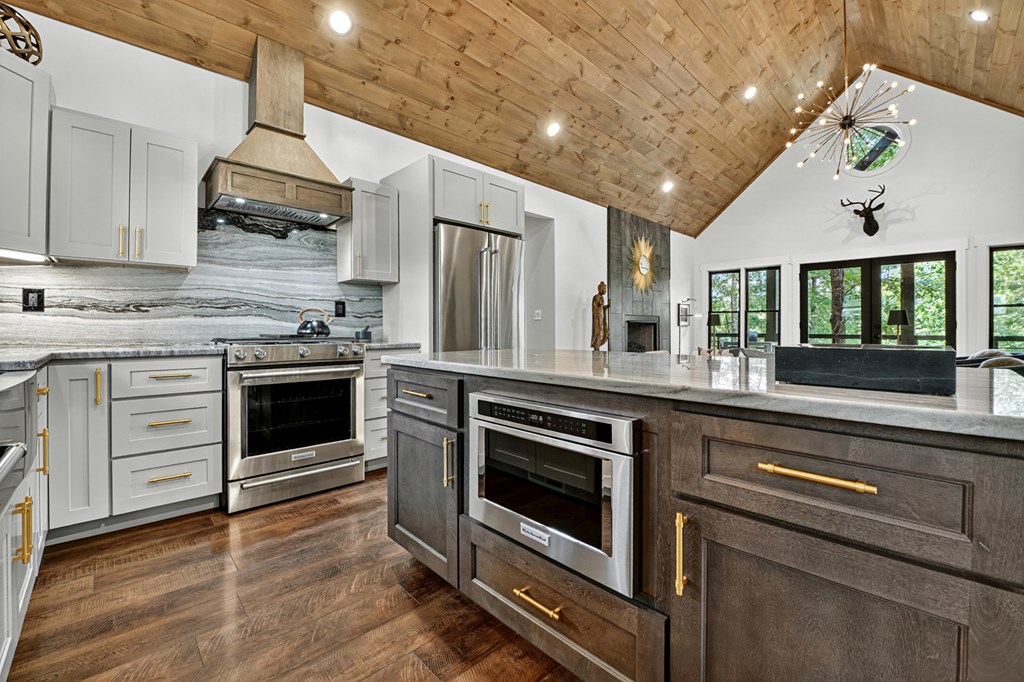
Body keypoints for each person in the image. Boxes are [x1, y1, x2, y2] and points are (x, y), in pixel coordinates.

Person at [591, 281, 610, 350]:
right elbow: (595, 307)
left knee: (603, 332)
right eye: (604, 289)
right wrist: (599, 304)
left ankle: (598, 346)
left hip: (601, 318)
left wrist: (606, 306)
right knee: (597, 332)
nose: (605, 291)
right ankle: (596, 346)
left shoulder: (602, 298)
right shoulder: (596, 297)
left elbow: (602, 308)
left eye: (605, 289)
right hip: (597, 319)